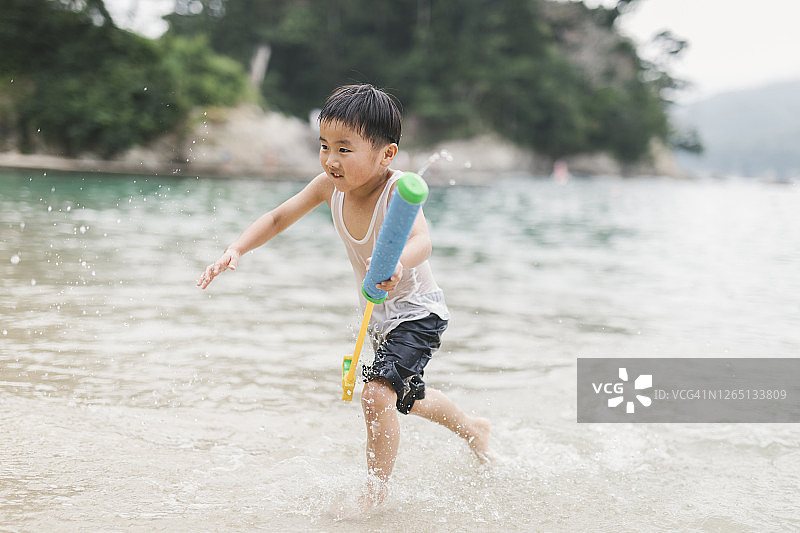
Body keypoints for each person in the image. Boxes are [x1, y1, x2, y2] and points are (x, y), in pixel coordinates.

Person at [197, 84, 492, 511]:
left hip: (417, 311)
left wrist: (398, 264)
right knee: (404, 396)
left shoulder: (397, 191)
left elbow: (423, 240)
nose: (330, 160)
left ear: (386, 155)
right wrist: (236, 248)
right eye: (324, 146)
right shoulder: (327, 187)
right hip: (379, 316)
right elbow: (278, 217)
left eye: (344, 149)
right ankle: (473, 429)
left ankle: (374, 494)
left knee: (376, 395)